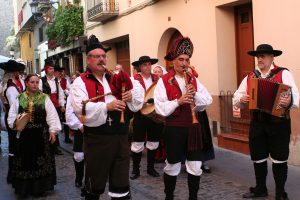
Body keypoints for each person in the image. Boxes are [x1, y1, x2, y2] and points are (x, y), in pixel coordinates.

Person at [70, 35, 144, 200]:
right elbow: (80, 108)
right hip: (98, 141)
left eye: (104, 56)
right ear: (88, 60)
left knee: (120, 186)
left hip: (121, 139)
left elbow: (137, 100)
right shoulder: (80, 82)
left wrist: (130, 96)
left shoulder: (115, 77)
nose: (102, 60)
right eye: (97, 57)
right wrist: (106, 106)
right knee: (94, 186)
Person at [233, 44, 299, 200]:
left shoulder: (283, 74)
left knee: (279, 158)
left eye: (263, 56)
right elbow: (236, 98)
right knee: (258, 156)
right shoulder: (250, 76)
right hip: (257, 123)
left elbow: (296, 96)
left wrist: (289, 101)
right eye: (258, 56)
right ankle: (260, 188)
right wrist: (241, 99)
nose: (259, 59)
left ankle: (280, 193)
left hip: (279, 123)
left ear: (272, 57)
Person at [154, 36, 212, 200]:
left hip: (193, 128)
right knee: (172, 165)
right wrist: (178, 102)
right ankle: (169, 196)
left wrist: (196, 93)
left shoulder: (193, 79)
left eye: (187, 60)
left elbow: (207, 100)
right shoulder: (164, 81)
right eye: (180, 59)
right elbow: (160, 107)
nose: (184, 63)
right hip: (174, 129)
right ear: (173, 60)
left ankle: (193, 197)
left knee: (195, 165)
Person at [7, 74, 61, 198]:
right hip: (24, 136)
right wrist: (16, 123)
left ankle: (39, 188)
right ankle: (24, 189)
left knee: (40, 162)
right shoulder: (19, 98)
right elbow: (12, 116)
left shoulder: (44, 98)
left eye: (37, 82)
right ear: (27, 83)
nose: (35, 84)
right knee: (25, 162)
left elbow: (51, 115)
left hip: (41, 135)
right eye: (32, 82)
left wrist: (53, 131)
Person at [130, 56, 164, 180]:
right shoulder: (134, 80)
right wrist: (140, 102)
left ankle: (150, 168)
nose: (147, 67)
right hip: (140, 115)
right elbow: (131, 97)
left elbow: (162, 94)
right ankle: (135, 169)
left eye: (149, 64)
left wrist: (156, 100)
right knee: (138, 142)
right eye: (144, 65)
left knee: (153, 142)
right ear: (139, 67)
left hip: (154, 114)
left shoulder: (158, 79)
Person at [0, 60, 25, 184]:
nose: (18, 73)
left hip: (12, 115)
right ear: (13, 73)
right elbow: (15, 105)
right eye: (16, 71)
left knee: (14, 144)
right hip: (14, 117)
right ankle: (13, 174)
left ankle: (12, 174)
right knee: (15, 145)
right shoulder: (10, 88)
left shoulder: (7, 84)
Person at [39, 60, 66, 155]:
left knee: (56, 125)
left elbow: (60, 93)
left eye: (53, 68)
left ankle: (55, 147)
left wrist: (62, 105)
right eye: (50, 68)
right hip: (46, 106)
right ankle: (47, 146)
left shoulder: (56, 80)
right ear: (46, 70)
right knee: (47, 125)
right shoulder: (41, 81)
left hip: (56, 106)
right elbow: (39, 94)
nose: (52, 70)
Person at [54, 65, 72, 143]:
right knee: (56, 120)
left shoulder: (64, 80)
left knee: (65, 119)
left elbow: (69, 89)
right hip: (56, 103)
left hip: (65, 102)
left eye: (59, 72)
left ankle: (67, 137)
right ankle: (56, 141)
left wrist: (66, 91)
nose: (59, 73)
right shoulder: (53, 81)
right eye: (57, 72)